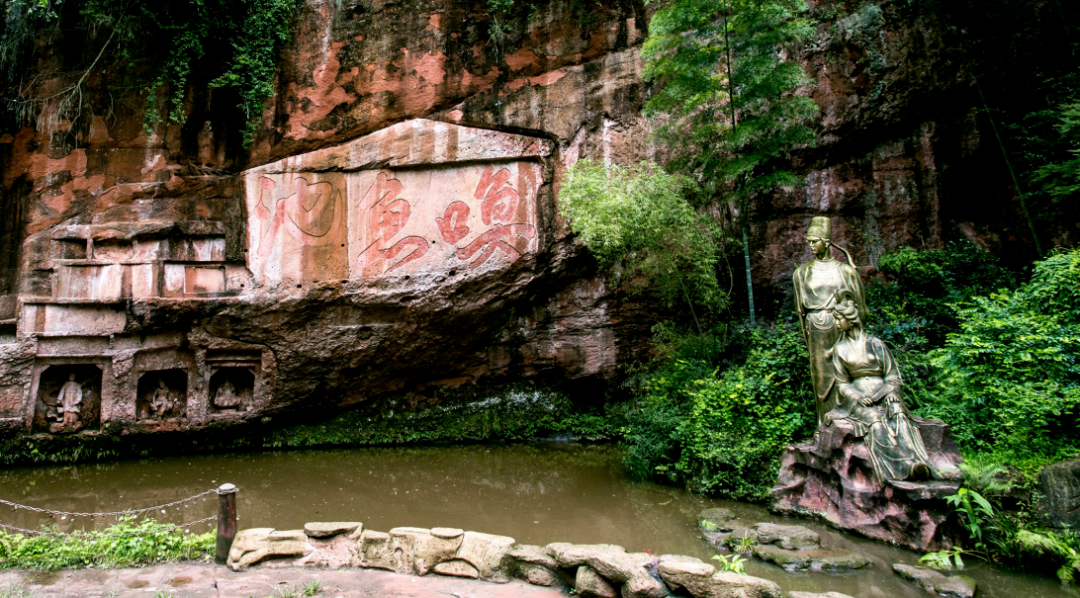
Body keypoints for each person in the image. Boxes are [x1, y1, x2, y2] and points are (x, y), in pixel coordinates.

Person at [827, 293, 934, 482]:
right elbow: (842, 383)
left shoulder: (876, 344)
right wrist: (857, 397)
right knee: (875, 422)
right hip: (858, 400)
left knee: (898, 413)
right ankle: (900, 468)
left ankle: (916, 461)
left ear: (850, 320)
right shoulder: (840, 349)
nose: (836, 324)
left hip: (883, 393)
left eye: (838, 320)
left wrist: (891, 393)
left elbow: (892, 375)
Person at [792, 217, 868, 427]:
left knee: (847, 370)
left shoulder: (846, 271)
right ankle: (825, 424)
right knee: (822, 377)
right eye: (808, 241)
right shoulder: (802, 273)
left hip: (842, 326)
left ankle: (854, 420)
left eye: (814, 241)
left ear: (826, 242)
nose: (810, 245)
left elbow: (860, 308)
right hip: (817, 328)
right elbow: (800, 310)